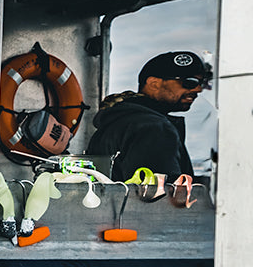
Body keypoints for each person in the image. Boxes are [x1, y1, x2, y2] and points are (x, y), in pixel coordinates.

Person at [84, 51, 213, 181]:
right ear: (154, 84)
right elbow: (163, 193)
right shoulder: (153, 127)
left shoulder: (120, 120)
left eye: (201, 83)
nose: (198, 89)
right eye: (190, 82)